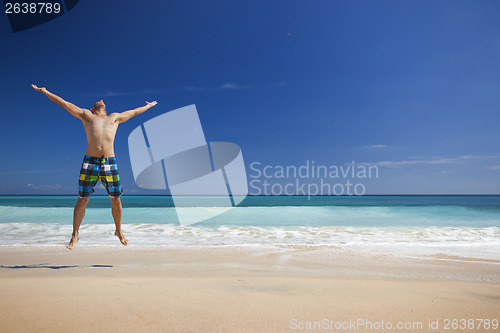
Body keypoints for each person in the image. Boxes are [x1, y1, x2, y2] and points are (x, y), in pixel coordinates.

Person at [31, 84, 157, 250]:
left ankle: (118, 231)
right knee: (82, 199)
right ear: (94, 107)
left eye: (103, 100)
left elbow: (134, 112)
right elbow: (64, 103)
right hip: (90, 162)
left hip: (110, 162)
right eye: (98, 100)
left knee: (116, 200)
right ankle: (75, 235)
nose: (102, 99)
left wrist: (147, 106)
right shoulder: (87, 115)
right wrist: (45, 91)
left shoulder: (115, 117)